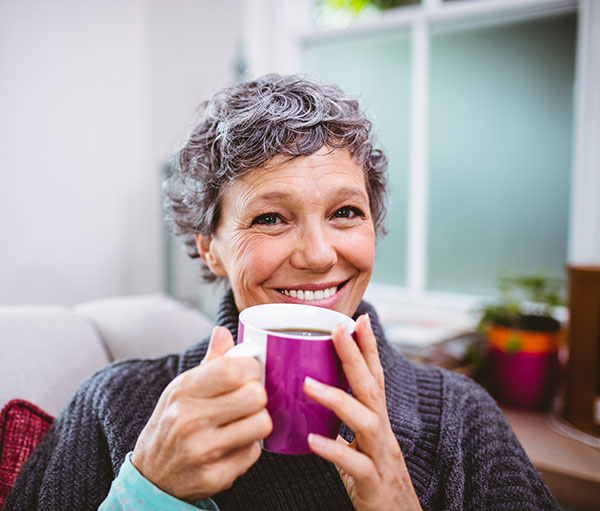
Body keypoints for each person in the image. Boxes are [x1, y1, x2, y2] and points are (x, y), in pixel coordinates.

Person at [5, 74, 559, 511]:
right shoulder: (114, 407)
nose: (319, 254)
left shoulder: (462, 420)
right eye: (271, 218)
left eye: (346, 212)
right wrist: (149, 491)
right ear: (210, 247)